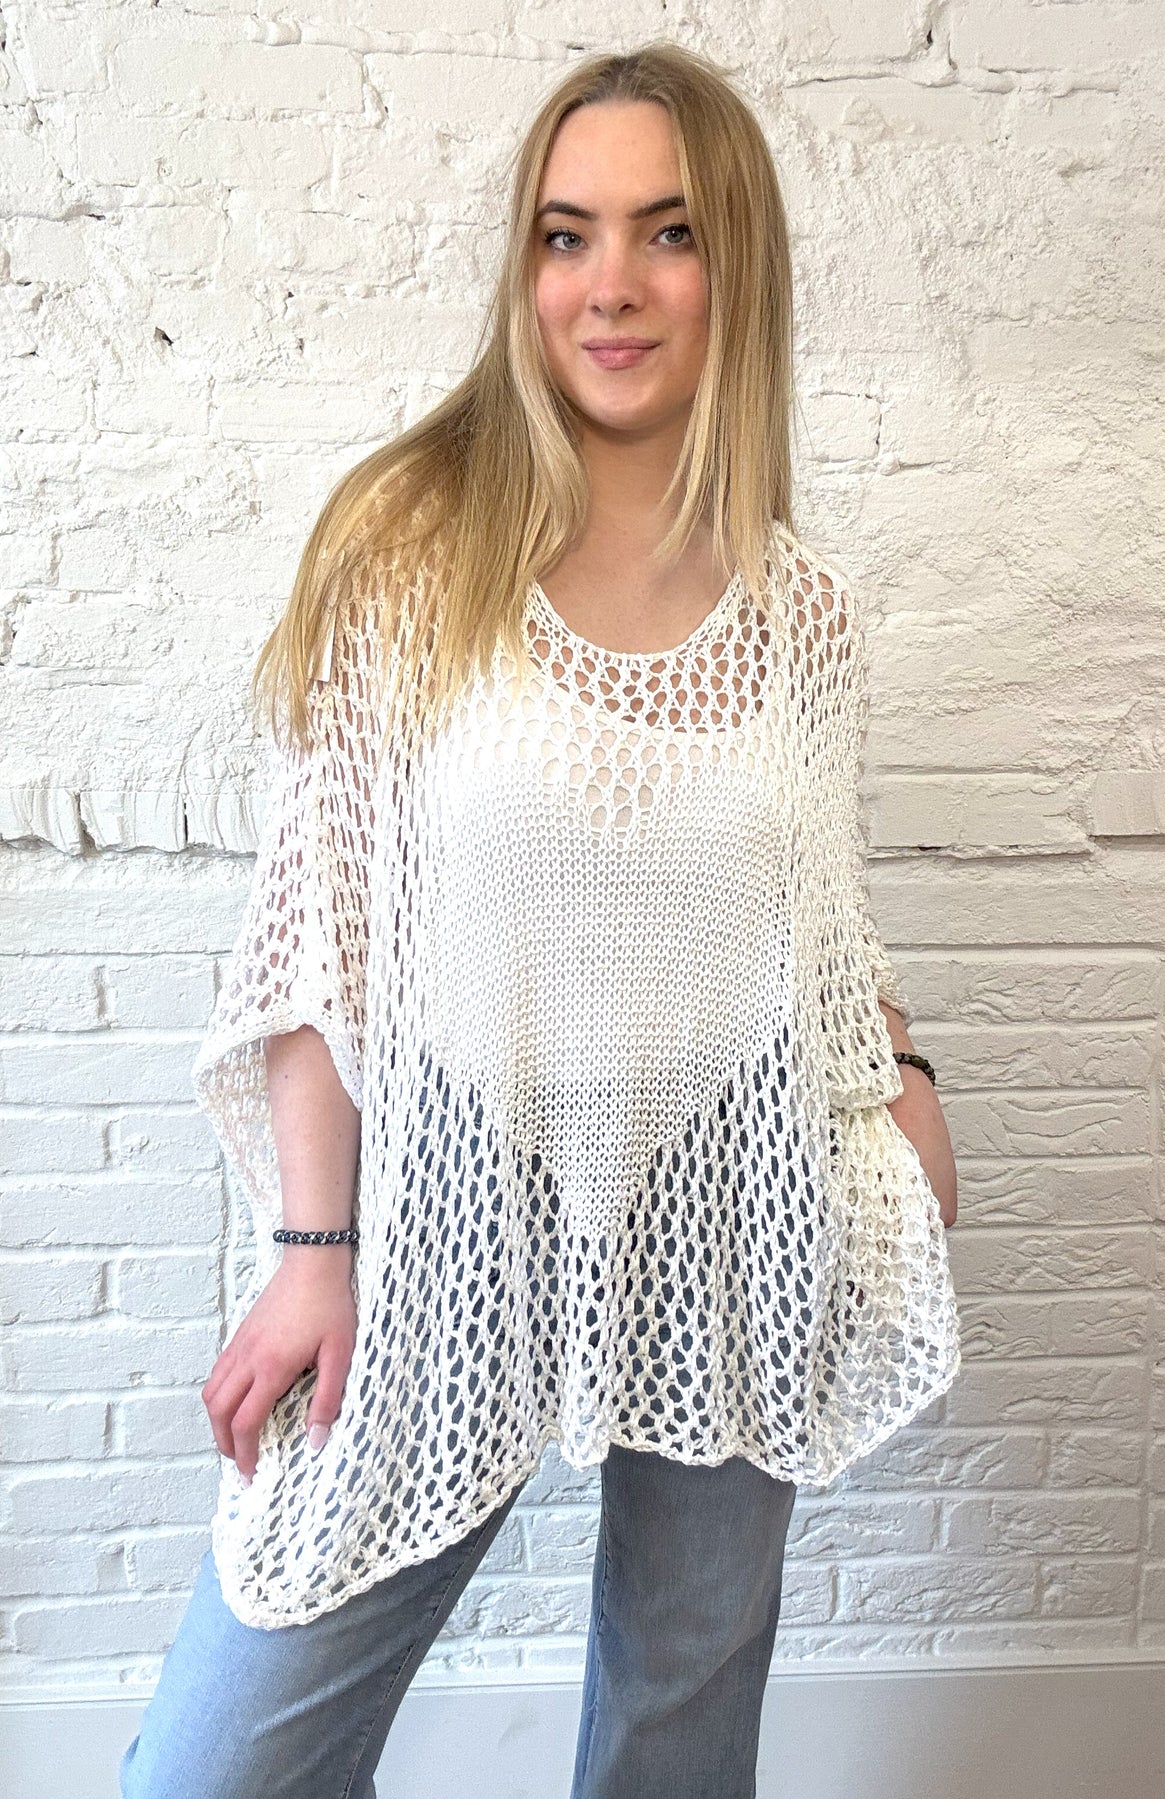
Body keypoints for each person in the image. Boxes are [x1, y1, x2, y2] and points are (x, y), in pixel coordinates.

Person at [119, 39, 961, 1799]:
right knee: (217, 1768)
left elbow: (816, 925)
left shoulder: (802, 611)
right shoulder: (409, 556)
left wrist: (904, 1089)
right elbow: (320, 936)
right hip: (454, 1191)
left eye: (668, 232)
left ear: (739, 264)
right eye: (567, 235)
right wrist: (317, 1249)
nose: (611, 284)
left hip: (734, 1191)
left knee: (680, 1708)